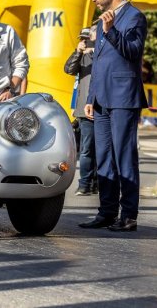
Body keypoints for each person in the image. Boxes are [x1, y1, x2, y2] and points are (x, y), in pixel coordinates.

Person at [79, 0, 148, 232]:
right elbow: (98, 62)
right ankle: (107, 211)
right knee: (104, 158)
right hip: (101, 99)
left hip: (123, 97)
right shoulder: (99, 21)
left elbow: (132, 51)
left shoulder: (134, 17)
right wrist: (91, 96)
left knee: (123, 156)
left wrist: (110, 31)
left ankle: (128, 214)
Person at [64, 26, 97, 196]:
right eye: (82, 39)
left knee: (104, 149)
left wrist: (95, 50)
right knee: (87, 149)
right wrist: (78, 52)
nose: (84, 42)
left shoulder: (103, 54)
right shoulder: (81, 56)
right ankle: (84, 184)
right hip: (84, 110)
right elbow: (68, 69)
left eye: (87, 38)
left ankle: (98, 183)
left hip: (102, 109)